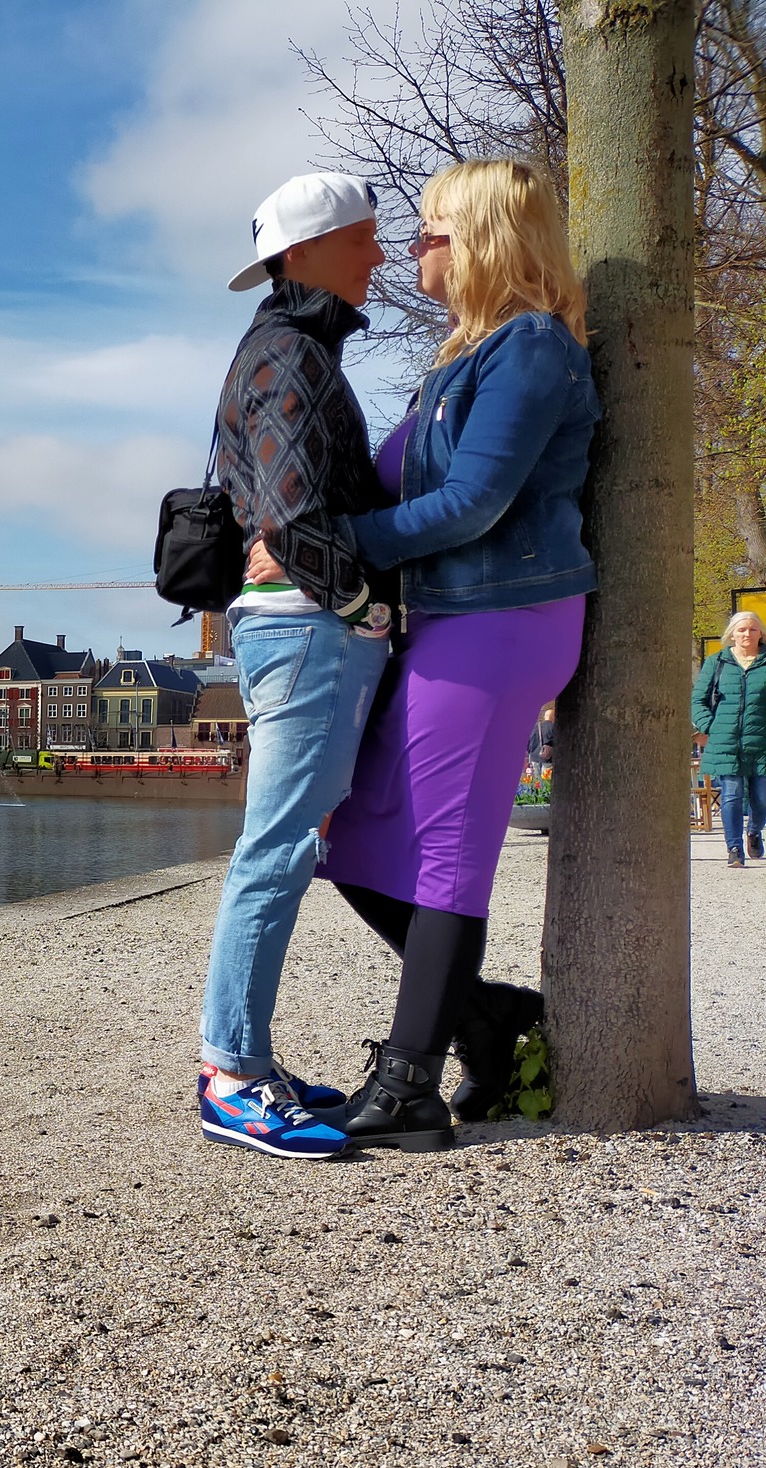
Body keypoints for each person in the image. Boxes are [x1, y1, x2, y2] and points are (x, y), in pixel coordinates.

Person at [306, 159, 599, 1147]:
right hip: (442, 622)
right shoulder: (456, 357)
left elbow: (474, 501)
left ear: (482, 240)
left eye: (430, 230)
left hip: (499, 622)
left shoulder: (528, 349)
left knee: (443, 852)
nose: (412, 248)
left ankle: (409, 1085)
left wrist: (348, 544)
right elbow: (392, 486)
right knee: (348, 842)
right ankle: (483, 1018)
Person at [195, 172, 396, 1161]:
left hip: (295, 626)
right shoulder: (288, 359)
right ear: (307, 250)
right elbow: (291, 516)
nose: (378, 254)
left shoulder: (286, 350)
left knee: (279, 849)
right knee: (273, 853)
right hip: (308, 628)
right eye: (362, 237)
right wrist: (366, 608)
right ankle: (229, 1074)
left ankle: (244, 1062)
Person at [693, 610, 766, 868]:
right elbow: (698, 700)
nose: (747, 634)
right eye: (742, 629)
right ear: (732, 634)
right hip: (726, 742)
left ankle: (754, 831)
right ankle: (734, 847)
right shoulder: (717, 662)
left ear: (760, 633)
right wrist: (710, 727)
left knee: (761, 798)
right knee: (732, 795)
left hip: (761, 744)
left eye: (753, 629)